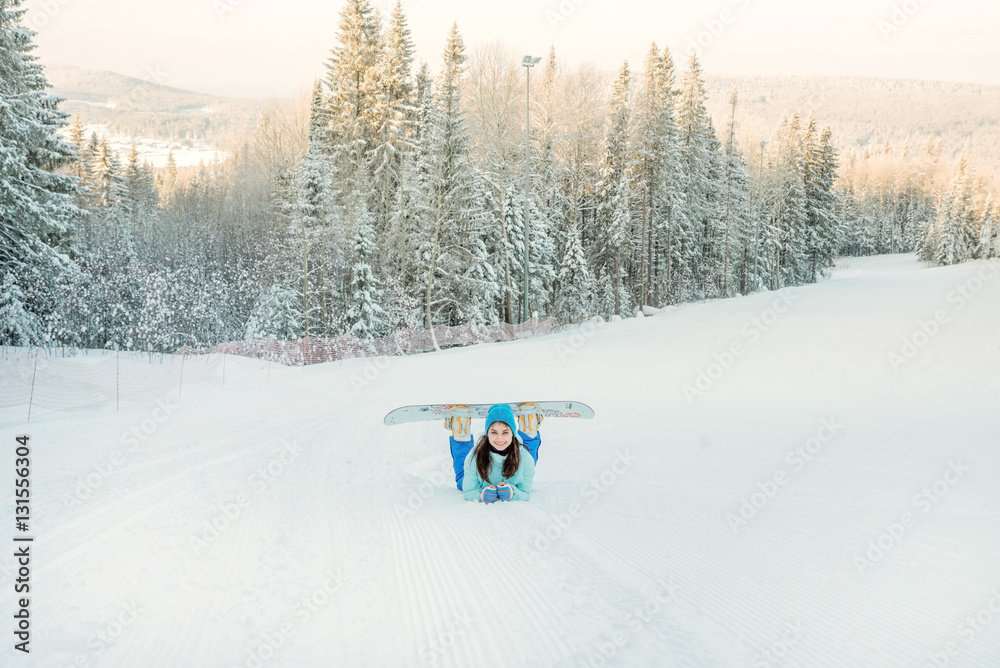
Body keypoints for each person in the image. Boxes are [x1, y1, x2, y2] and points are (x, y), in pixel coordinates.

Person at [446, 403, 541, 502]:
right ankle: (461, 428)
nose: (500, 439)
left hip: (520, 457)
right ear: (487, 434)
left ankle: (528, 423)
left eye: (505, 432)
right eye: (494, 432)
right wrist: (481, 495)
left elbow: (525, 493)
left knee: (524, 455)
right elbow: (469, 492)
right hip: (479, 476)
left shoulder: (526, 458)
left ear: (513, 433)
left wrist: (513, 493)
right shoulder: (473, 457)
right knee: (463, 480)